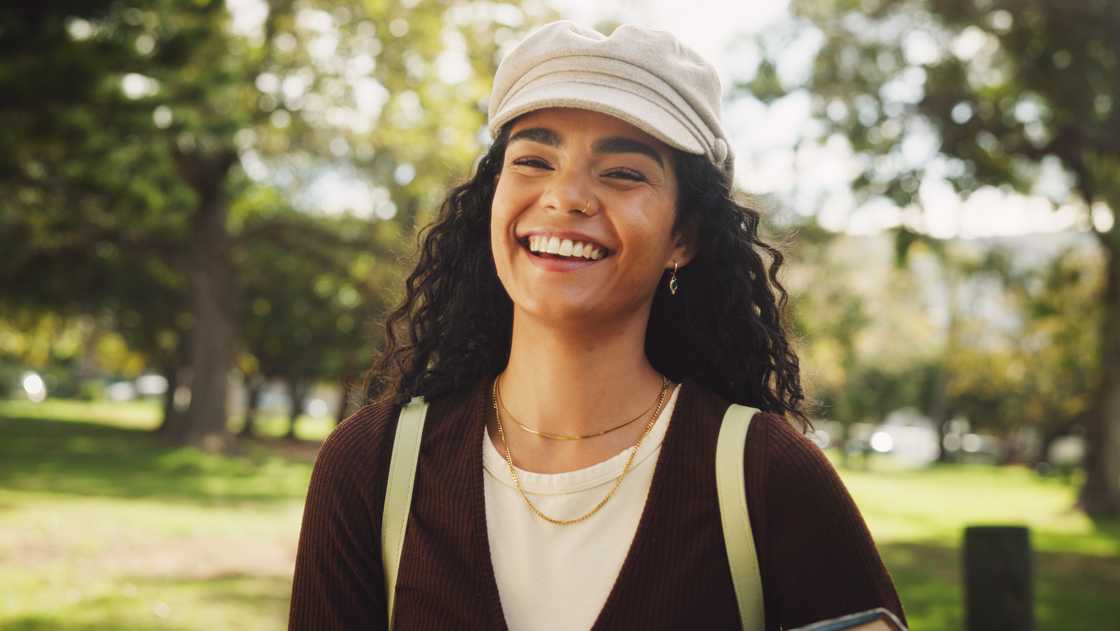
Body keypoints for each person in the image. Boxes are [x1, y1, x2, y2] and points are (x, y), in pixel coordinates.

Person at [288, 20, 906, 631]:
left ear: (683, 238)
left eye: (623, 173)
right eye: (534, 160)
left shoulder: (767, 477)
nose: (567, 196)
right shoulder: (371, 465)